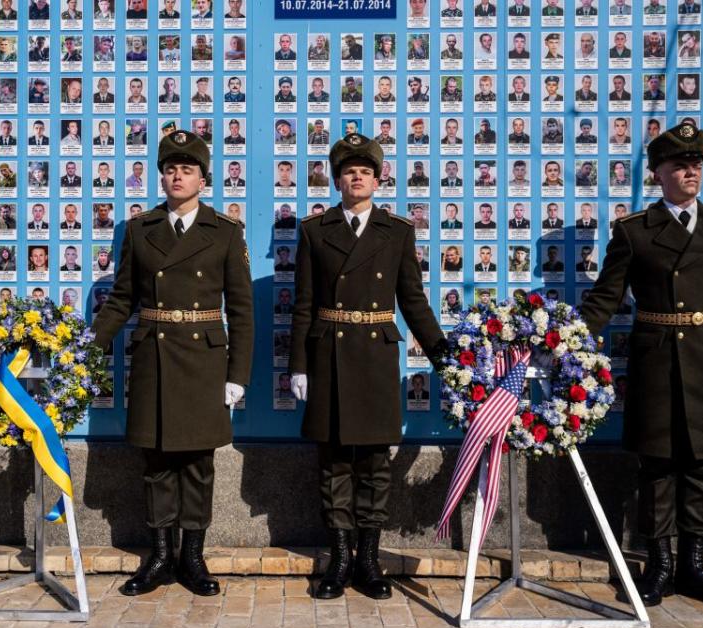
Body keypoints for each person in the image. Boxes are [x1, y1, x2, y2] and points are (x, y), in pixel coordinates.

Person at [580, 124, 703, 610]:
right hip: (657, 360)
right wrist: (566, 341)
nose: (690, 172)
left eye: (697, 164)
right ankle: (658, 566)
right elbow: (605, 298)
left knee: (702, 466)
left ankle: (694, 566)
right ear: (658, 173)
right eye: (679, 165)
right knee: (657, 466)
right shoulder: (636, 230)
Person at [91, 130, 253, 598]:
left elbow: (241, 309)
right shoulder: (140, 230)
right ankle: (160, 556)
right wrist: (88, 351)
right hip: (154, 356)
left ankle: (193, 557)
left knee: (199, 463)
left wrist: (236, 376)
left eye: (187, 169)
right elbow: (121, 299)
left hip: (203, 360)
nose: (177, 176)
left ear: (205, 179)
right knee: (157, 461)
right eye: (170, 168)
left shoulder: (224, 231)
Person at [289, 134, 445, 601]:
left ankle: (370, 561)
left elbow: (413, 301)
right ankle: (339, 560)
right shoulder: (314, 231)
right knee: (334, 462)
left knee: (376, 464)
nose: (356, 178)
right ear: (337, 180)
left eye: (365, 171)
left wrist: (446, 359)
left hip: (376, 354)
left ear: (378, 180)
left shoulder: (396, 231)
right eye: (348, 171)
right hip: (329, 354)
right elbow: (303, 305)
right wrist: (299, 364)